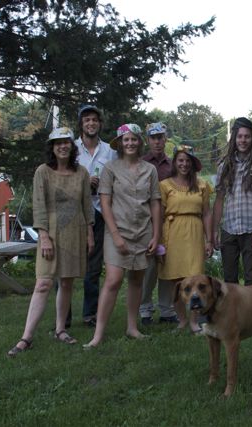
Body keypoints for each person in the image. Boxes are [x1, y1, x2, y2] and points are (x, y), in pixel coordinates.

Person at [8, 127, 94, 356]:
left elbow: (87, 206)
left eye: (66, 142)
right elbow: (38, 205)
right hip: (51, 234)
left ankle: (60, 330)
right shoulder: (43, 172)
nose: (63, 146)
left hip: (75, 232)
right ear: (52, 147)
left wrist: (90, 234)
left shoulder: (82, 173)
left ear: (72, 146)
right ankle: (26, 337)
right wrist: (44, 236)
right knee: (43, 283)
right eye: (58, 143)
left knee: (66, 283)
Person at [84, 124, 161, 348]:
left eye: (134, 139)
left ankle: (132, 327)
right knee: (113, 280)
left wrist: (156, 234)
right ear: (119, 143)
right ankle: (98, 335)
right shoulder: (110, 168)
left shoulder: (150, 170)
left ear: (139, 142)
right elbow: (105, 203)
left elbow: (155, 203)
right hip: (117, 231)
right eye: (126, 140)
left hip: (143, 231)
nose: (130, 143)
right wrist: (116, 235)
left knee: (136, 280)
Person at [158, 145, 213, 333]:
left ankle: (194, 321)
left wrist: (210, 240)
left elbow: (207, 214)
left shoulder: (202, 185)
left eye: (188, 161)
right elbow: (159, 214)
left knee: (195, 277)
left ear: (193, 163)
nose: (184, 164)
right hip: (172, 232)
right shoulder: (165, 185)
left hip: (195, 232)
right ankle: (182, 320)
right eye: (180, 160)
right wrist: (159, 241)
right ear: (174, 162)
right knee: (175, 280)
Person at [74, 104, 117, 327]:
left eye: (94, 119)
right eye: (86, 120)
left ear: (100, 123)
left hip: (100, 212)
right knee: (68, 265)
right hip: (74, 212)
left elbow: (116, 179)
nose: (91, 123)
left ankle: (90, 315)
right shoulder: (71, 148)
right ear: (81, 124)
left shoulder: (110, 151)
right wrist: (84, 182)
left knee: (93, 266)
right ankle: (64, 318)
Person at [212, 117, 252, 285]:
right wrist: (215, 230)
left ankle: (251, 303)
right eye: (240, 136)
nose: (243, 140)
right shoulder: (224, 167)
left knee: (251, 279)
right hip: (229, 229)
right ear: (234, 138)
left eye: (247, 136)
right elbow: (219, 200)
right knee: (229, 280)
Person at [137, 122, 176, 325]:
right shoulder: (142, 163)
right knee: (149, 267)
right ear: (148, 140)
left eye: (160, 137)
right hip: (147, 221)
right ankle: (145, 309)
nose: (157, 141)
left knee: (167, 265)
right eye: (153, 138)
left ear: (165, 139)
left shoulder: (172, 165)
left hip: (170, 221)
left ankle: (166, 309)